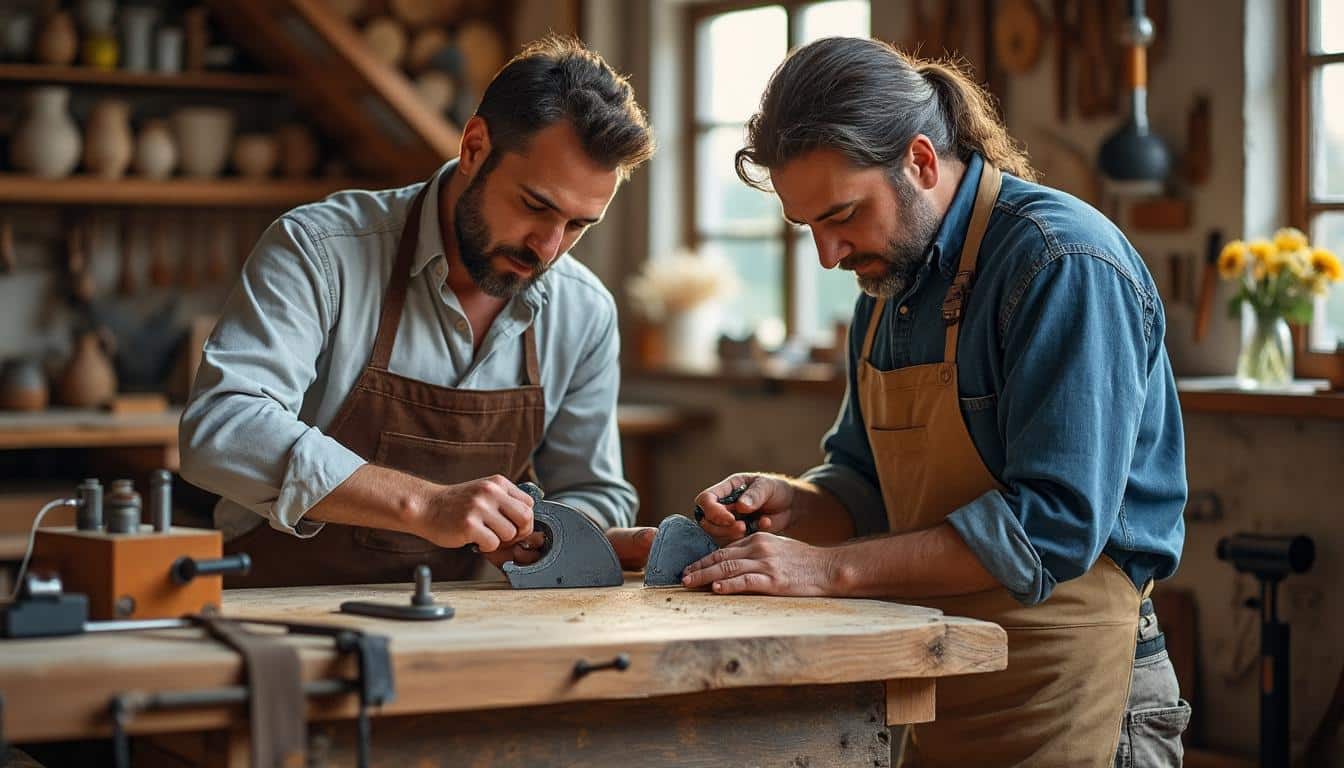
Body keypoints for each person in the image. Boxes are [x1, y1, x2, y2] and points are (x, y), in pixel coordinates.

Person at [684, 37, 1190, 766]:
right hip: (940, 684)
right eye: (809, 230)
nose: (829, 255)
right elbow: (862, 481)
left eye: (842, 215)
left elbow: (1051, 527)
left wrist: (825, 570)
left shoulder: (1061, 263)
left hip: (1073, 687)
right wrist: (795, 504)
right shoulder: (887, 284)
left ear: (921, 161)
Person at [180, 36, 656, 588]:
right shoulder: (319, 250)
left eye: (578, 226)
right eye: (535, 206)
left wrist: (549, 533)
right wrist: (424, 505)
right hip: (277, 617)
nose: (548, 248)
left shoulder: (585, 310)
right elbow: (222, 425)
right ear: (475, 147)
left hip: (458, 626)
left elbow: (594, 491)